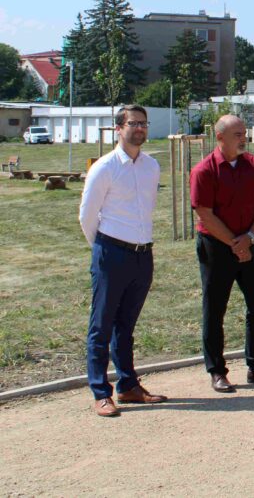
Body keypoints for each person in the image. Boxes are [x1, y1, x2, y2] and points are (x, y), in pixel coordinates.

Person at [79, 104, 167, 417]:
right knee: (101, 325)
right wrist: (104, 249)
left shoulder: (151, 166)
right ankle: (101, 392)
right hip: (111, 252)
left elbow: (147, 210)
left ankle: (128, 385)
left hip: (142, 255)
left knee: (126, 326)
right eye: (133, 123)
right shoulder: (104, 167)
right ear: (119, 128)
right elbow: (87, 216)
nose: (140, 128)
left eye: (144, 123)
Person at [190, 114, 254, 391]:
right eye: (237, 135)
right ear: (220, 138)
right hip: (216, 247)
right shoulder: (204, 170)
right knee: (215, 308)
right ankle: (217, 371)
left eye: (244, 133)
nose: (244, 138)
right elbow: (205, 214)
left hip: (250, 240)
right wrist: (235, 243)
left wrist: (250, 238)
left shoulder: (253, 164)